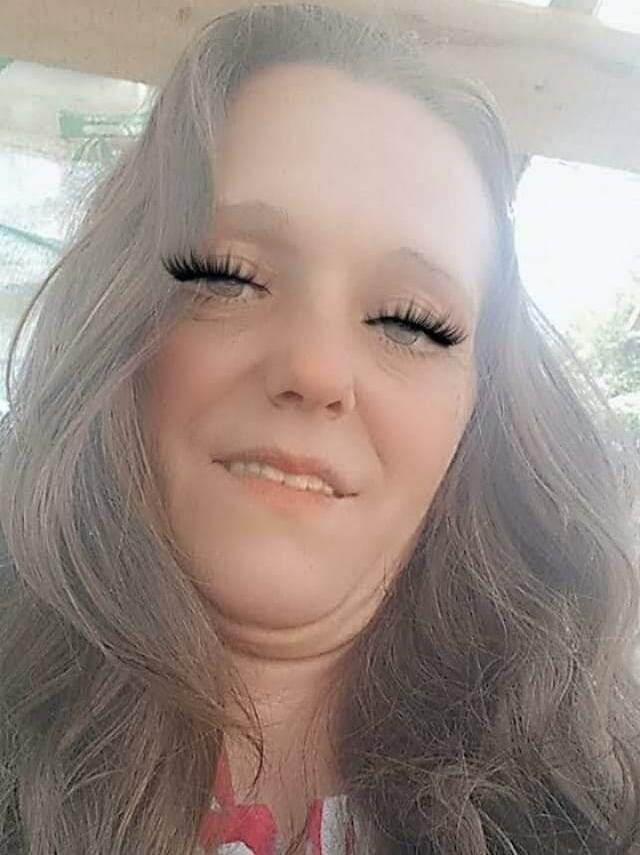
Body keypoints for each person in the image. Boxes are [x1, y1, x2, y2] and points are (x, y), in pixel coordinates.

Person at [1, 3, 640, 853]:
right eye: (231, 276)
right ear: (117, 319)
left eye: (408, 321)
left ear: (478, 411)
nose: (315, 368)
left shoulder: (597, 796)